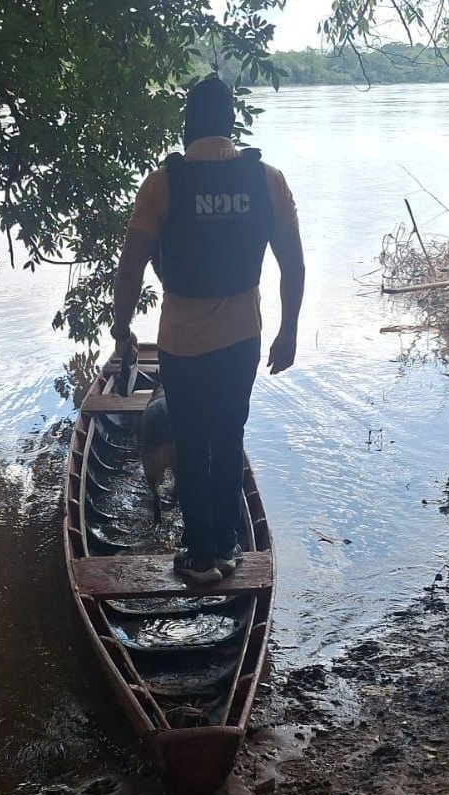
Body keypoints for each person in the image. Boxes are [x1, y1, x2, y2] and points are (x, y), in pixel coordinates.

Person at [111, 76, 305, 583]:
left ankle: (199, 557)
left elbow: (130, 269)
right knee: (229, 433)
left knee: (193, 442)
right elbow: (294, 265)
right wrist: (289, 333)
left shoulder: (161, 183)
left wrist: (120, 327)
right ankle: (227, 546)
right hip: (243, 339)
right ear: (229, 123)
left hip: (182, 343)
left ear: (187, 125)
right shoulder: (268, 179)